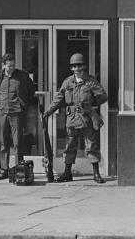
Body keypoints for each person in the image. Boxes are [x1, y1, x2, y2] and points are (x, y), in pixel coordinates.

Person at [43, 53, 107, 184]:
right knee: (70, 146)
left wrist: (91, 104)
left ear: (84, 67)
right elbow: (58, 99)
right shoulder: (67, 82)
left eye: (79, 65)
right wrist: (48, 112)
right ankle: (67, 173)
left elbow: (103, 96)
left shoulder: (90, 81)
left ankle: (96, 173)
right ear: (71, 68)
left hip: (85, 117)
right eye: (74, 66)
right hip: (72, 118)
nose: (77, 68)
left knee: (91, 145)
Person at [0, 53, 36, 180]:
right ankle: (4, 170)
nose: (12, 68)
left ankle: (18, 169)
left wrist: (24, 104)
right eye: (9, 66)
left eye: (14, 65)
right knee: (4, 141)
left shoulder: (23, 76)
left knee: (18, 142)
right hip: (2, 112)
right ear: (3, 65)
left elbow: (31, 90)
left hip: (17, 112)